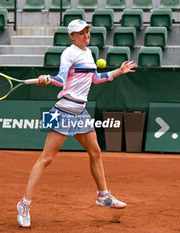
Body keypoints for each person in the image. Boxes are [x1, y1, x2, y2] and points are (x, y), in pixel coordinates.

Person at [16, 19, 137, 228]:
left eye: (87, 32)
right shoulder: (68, 53)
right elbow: (61, 80)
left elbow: (96, 79)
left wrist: (119, 71)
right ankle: (24, 204)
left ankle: (103, 196)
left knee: (95, 152)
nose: (86, 36)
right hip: (63, 110)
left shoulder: (89, 53)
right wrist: (47, 78)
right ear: (72, 36)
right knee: (46, 159)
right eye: (81, 33)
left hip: (80, 111)